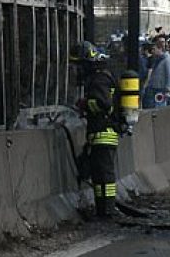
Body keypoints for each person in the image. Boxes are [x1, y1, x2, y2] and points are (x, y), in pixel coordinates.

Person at [72, 41, 126, 218]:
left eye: (80, 65)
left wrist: (85, 104)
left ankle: (107, 209)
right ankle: (103, 209)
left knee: (104, 175)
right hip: (101, 132)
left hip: (104, 132)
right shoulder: (102, 76)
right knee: (99, 174)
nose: (79, 70)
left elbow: (103, 104)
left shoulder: (99, 79)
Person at [143, 43, 170, 108]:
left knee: (159, 106)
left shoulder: (167, 60)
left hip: (161, 88)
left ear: (160, 49)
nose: (152, 51)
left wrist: (168, 88)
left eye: (154, 49)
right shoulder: (157, 59)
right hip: (153, 86)